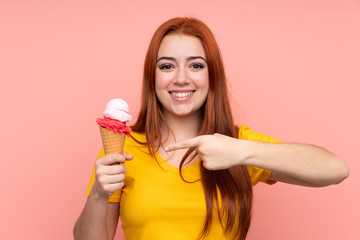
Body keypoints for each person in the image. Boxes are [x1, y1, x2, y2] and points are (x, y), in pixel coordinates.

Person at [73, 17, 349, 240]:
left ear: (212, 75)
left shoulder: (239, 144)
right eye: (167, 66)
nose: (181, 78)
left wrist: (241, 151)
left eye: (196, 65)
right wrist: (99, 193)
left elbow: (335, 170)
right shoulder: (125, 148)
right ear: (152, 77)